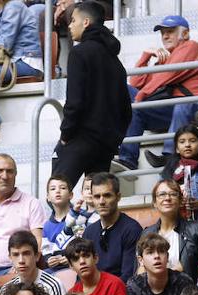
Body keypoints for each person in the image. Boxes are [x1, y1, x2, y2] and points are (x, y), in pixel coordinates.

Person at [52, 3, 131, 187]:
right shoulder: (115, 60)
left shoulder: (79, 53)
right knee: (99, 201)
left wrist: (65, 135)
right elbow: (126, 108)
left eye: (73, 20)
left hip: (81, 138)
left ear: (86, 22)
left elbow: (75, 102)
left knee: (57, 193)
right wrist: (114, 140)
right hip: (106, 143)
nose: (70, 26)